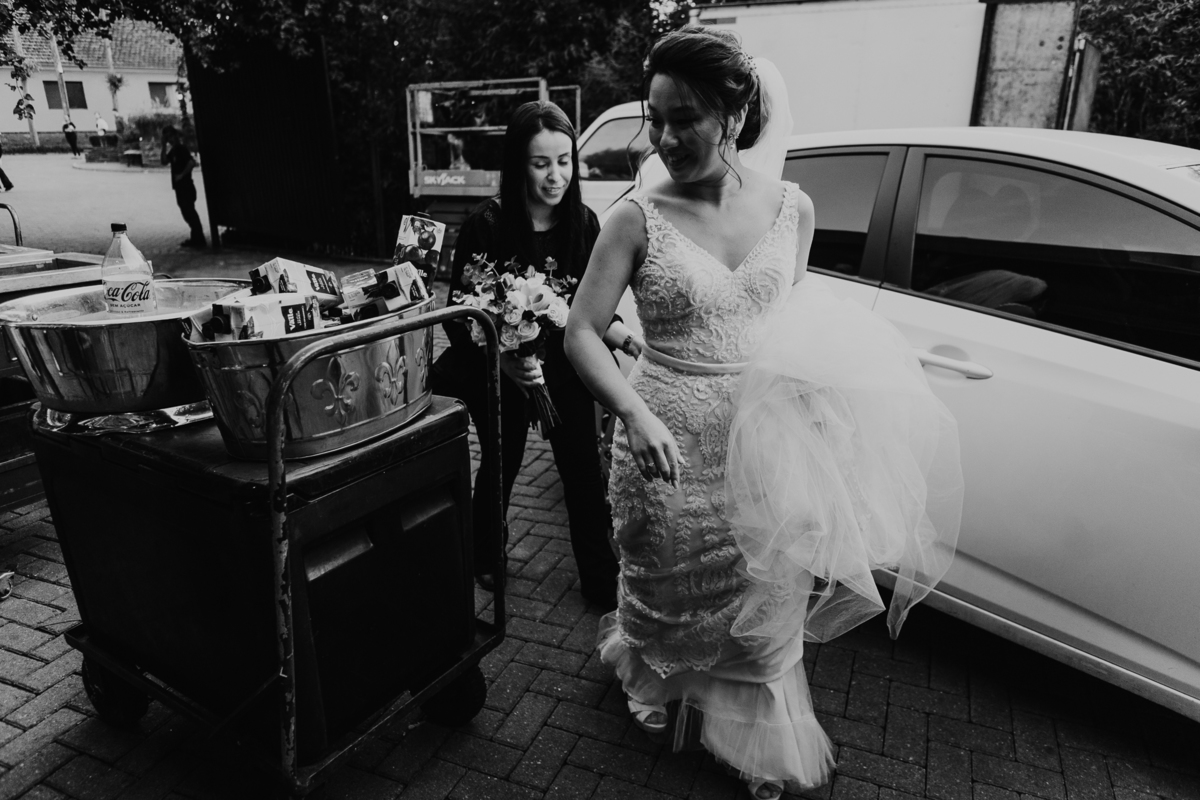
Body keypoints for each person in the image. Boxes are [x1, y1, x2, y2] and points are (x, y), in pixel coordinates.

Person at [564, 26, 964, 798]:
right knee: (672, 586)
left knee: (764, 596)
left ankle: (757, 737)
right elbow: (581, 329)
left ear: (736, 115)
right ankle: (669, 688)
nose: (666, 138)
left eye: (686, 119)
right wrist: (633, 414)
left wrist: (820, 408)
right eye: (656, 119)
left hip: (761, 441)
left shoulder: (793, 210)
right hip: (664, 439)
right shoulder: (634, 217)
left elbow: (792, 324)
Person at [431, 100, 639, 609]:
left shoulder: (584, 222)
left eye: (564, 161)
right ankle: (485, 554)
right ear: (517, 164)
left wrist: (624, 337)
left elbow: (592, 302)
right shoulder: (486, 224)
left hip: (566, 369)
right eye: (541, 163)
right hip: (503, 373)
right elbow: (460, 312)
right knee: (500, 466)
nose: (555, 176)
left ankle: (599, 577)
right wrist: (501, 359)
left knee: (583, 471)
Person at [160, 126, 206, 248]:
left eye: (170, 136)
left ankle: (199, 239)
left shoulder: (181, 149)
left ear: (175, 135)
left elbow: (191, 163)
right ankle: (196, 237)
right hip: (179, 187)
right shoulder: (174, 150)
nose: (169, 139)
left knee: (189, 212)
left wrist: (181, 175)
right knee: (187, 212)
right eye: (167, 138)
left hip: (186, 186)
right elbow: (164, 161)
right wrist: (163, 146)